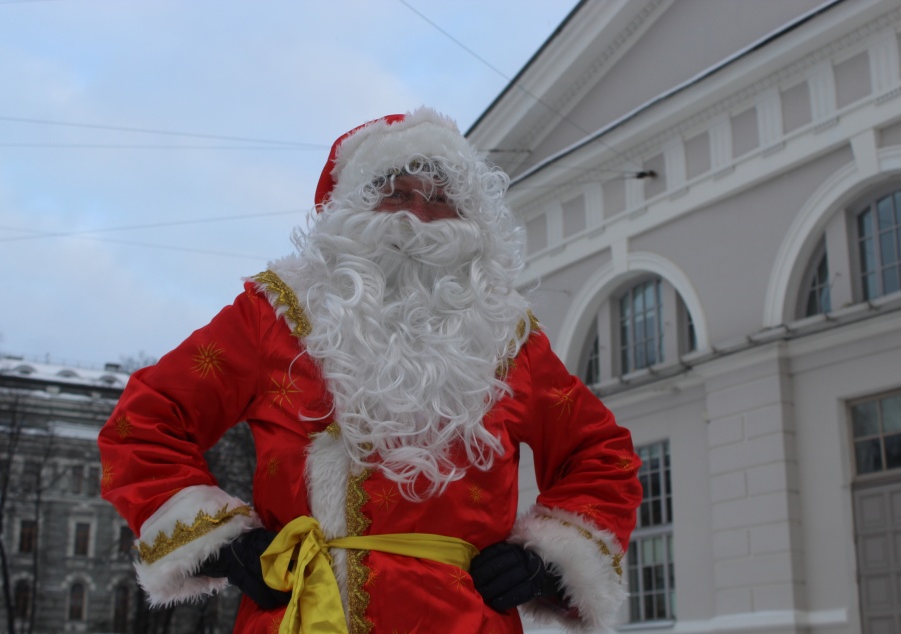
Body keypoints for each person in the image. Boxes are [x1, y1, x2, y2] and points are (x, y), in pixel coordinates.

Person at [98, 107, 642, 634]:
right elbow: (145, 420)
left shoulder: (507, 338)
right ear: (351, 209)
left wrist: (547, 559)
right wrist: (224, 543)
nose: (420, 216)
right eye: (398, 194)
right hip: (304, 615)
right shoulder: (276, 316)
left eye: (443, 200)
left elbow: (602, 454)